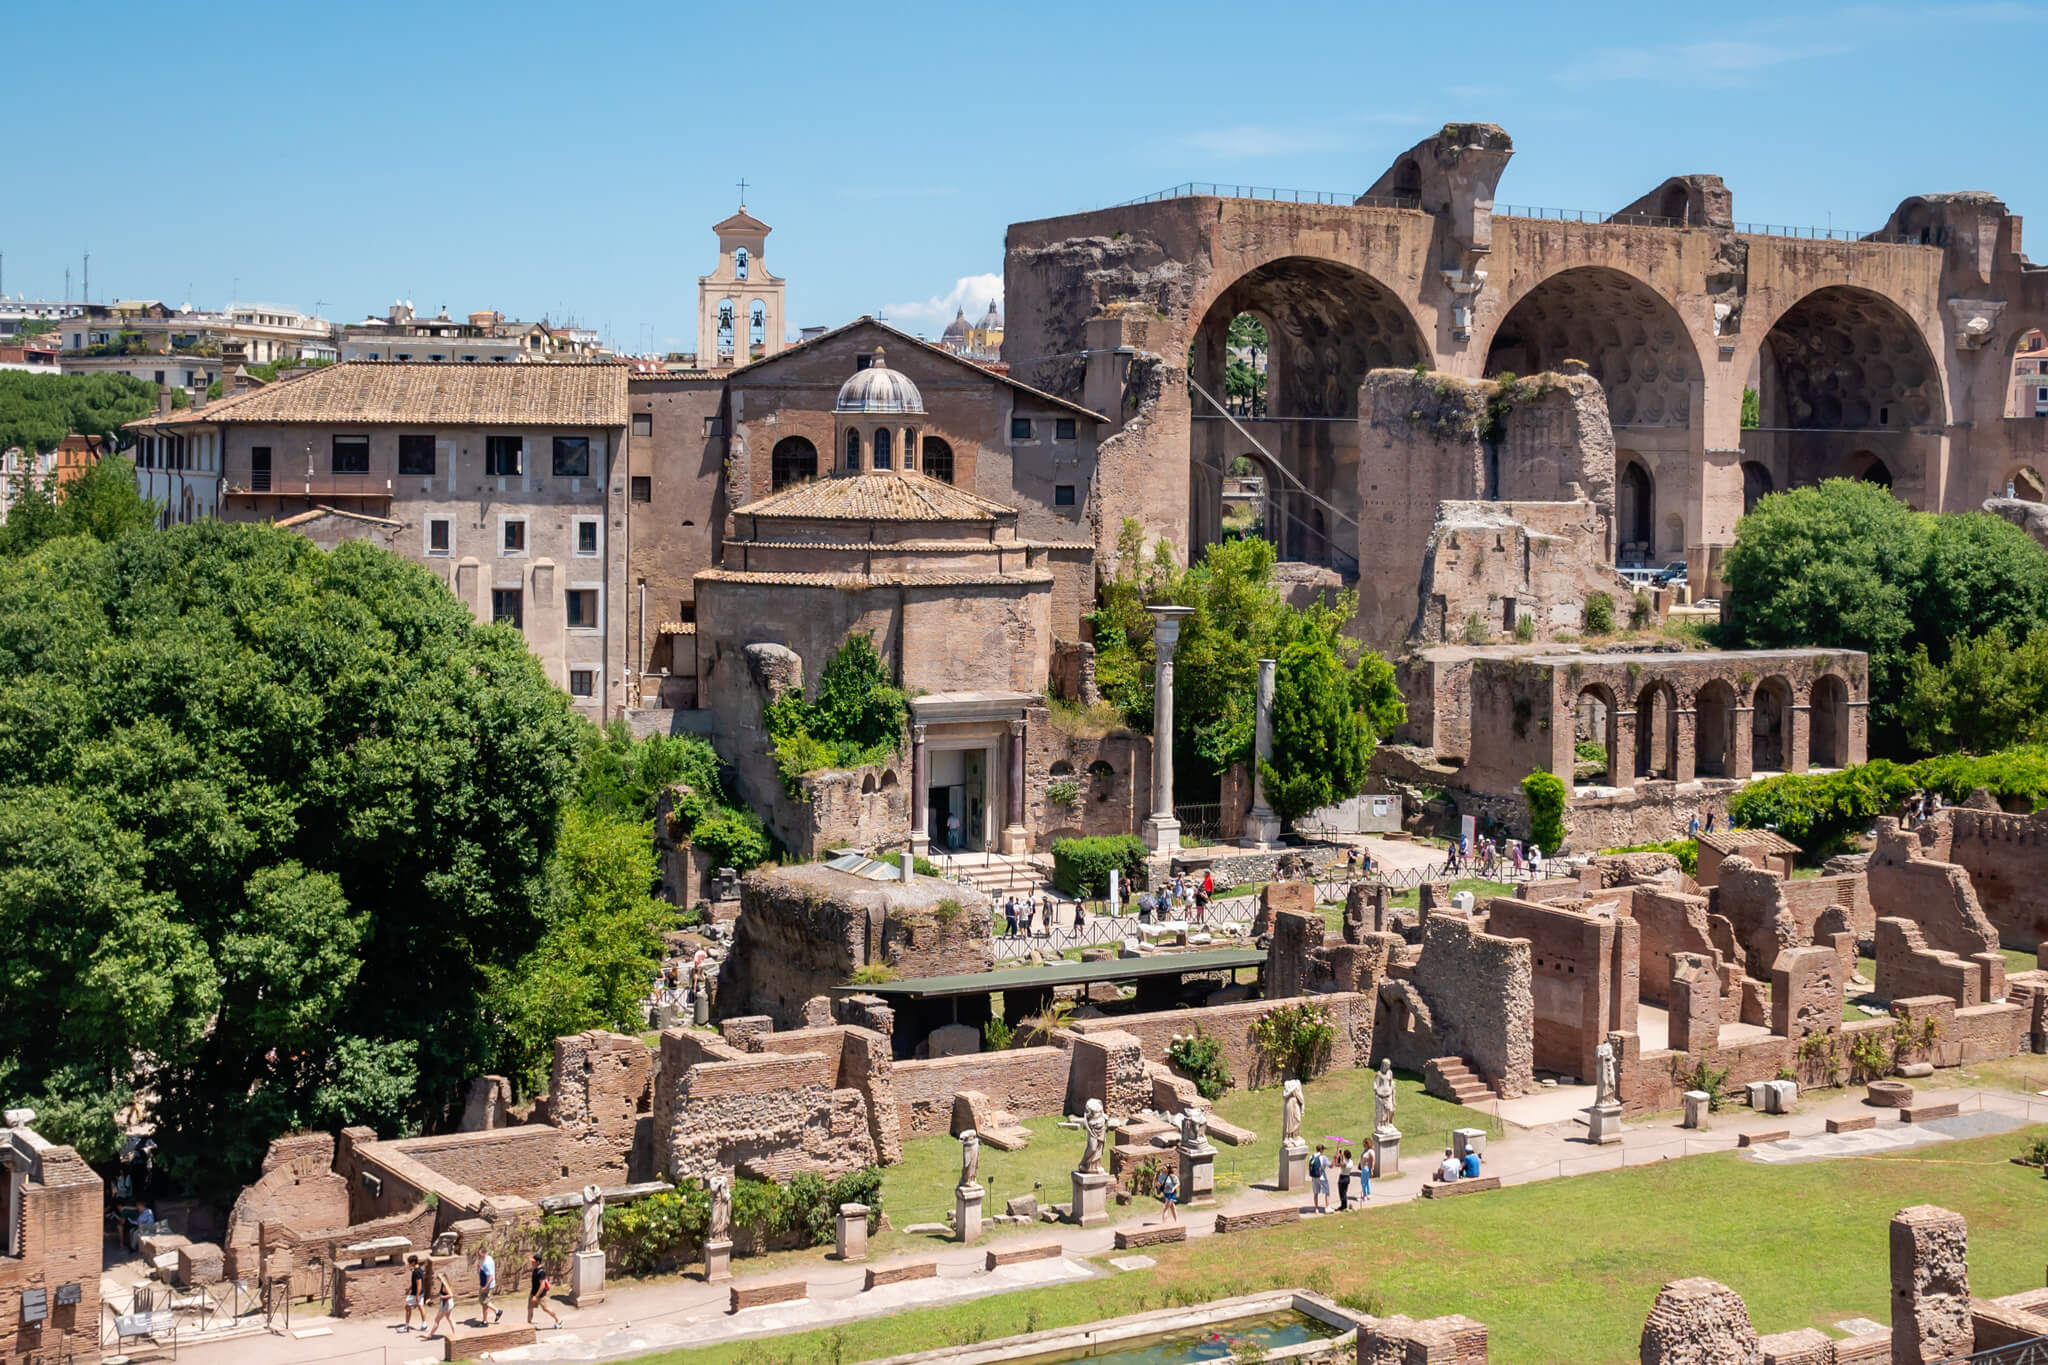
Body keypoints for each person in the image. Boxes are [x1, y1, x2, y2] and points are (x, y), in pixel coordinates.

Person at [526, 1254, 561, 1328]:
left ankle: (558, 1320)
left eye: (533, 1262)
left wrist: (536, 1296)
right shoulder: (535, 1269)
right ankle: (528, 1324)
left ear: (538, 1262)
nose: (532, 1263)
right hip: (533, 1293)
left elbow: (542, 1286)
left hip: (540, 1295)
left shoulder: (541, 1272)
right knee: (530, 1308)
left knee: (545, 1308)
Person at [429, 1267, 457, 1338]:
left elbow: (451, 1295)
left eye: (439, 1278)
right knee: (449, 1318)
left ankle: (430, 1335)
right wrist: (431, 1299)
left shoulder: (445, 1285)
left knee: (437, 1320)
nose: (438, 1279)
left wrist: (443, 1297)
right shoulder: (444, 1284)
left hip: (447, 1304)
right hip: (448, 1303)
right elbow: (439, 1294)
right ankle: (455, 1333)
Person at [403, 1253, 427, 1331]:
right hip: (420, 1292)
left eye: (409, 1263)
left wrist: (417, 1296)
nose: (408, 1264)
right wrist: (409, 1289)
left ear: (413, 1262)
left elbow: (419, 1284)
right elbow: (415, 1283)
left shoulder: (416, 1272)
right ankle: (424, 1325)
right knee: (421, 1307)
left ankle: (406, 1326)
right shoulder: (419, 1270)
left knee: (407, 1307)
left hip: (416, 1293)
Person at [479, 1249, 503, 1324]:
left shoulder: (487, 1263)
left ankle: (495, 1312)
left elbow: (490, 1277)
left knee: (484, 1302)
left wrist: (485, 1287)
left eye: (479, 1254)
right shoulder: (488, 1258)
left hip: (487, 1285)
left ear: (483, 1254)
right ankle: (487, 1319)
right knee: (484, 1302)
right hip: (484, 1284)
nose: (479, 1256)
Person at [1308, 1144, 1330, 1212]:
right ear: (1321, 1150)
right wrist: (1335, 1159)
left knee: (1316, 1192)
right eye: (1323, 1149)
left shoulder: (1311, 1156)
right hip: (1322, 1176)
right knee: (1327, 1192)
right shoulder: (1323, 1157)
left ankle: (1316, 1208)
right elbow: (1331, 1166)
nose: (1323, 1151)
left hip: (1314, 1177)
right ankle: (1327, 1207)